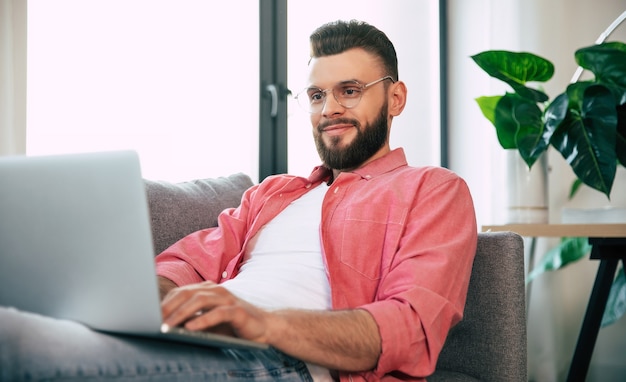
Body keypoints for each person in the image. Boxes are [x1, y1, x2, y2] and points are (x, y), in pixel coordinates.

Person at [0, 20, 477, 382]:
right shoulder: (273, 194)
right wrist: (147, 301)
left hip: (283, 361)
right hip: (205, 342)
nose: (328, 108)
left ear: (395, 98)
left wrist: (261, 323)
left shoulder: (433, 190)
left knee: (15, 342)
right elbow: (185, 263)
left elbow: (411, 329)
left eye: (349, 91)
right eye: (315, 95)